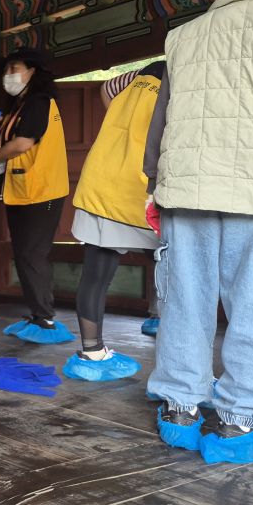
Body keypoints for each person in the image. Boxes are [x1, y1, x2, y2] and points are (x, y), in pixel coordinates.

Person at [144, 0, 253, 464]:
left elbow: (162, 118)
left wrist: (155, 185)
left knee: (184, 299)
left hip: (186, 188)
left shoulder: (183, 36)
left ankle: (179, 408)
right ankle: (241, 422)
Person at [62, 63, 166, 381]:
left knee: (95, 276)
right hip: (139, 191)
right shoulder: (183, 79)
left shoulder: (136, 79)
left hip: (102, 181)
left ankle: (91, 352)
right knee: (175, 277)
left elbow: (105, 90)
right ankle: (176, 361)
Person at [0, 47, 73, 344]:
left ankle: (45, 317)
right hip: (19, 190)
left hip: (42, 190)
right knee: (22, 254)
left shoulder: (39, 102)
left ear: (33, 71)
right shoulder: (15, 108)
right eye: (6, 70)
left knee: (33, 254)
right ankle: (37, 314)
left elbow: (22, 144)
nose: (9, 75)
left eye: (15, 68)